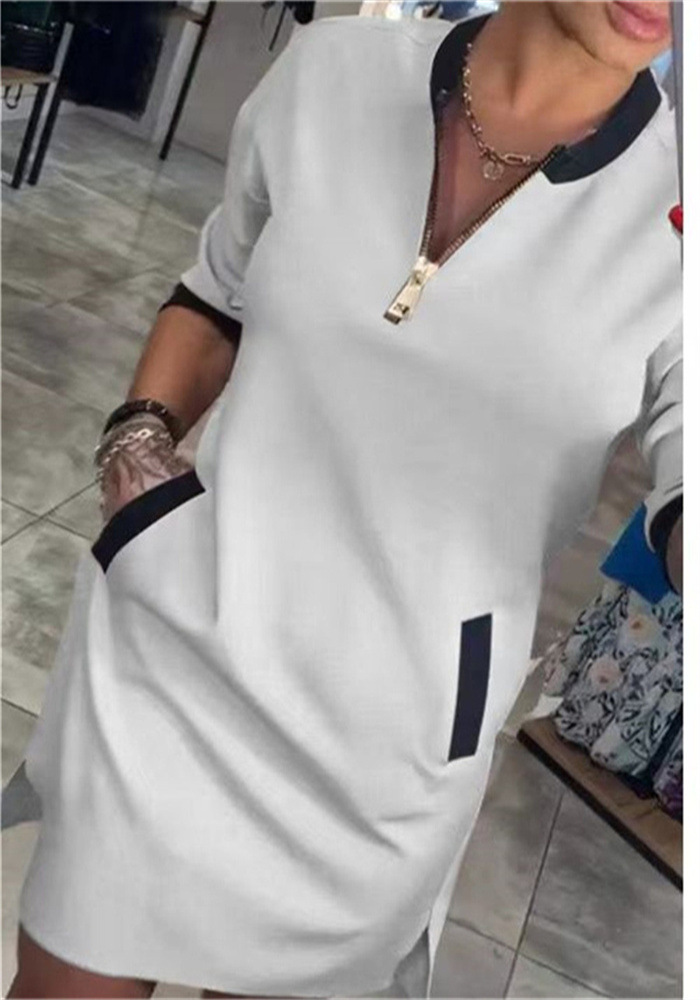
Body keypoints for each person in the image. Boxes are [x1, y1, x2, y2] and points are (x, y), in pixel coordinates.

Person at [10, 2, 682, 998]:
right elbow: (219, 289)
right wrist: (136, 460)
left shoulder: (679, 211)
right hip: (173, 655)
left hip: (387, 755)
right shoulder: (334, 71)